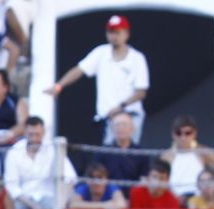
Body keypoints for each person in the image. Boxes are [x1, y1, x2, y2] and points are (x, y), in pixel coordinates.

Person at [46, 13, 148, 143]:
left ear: (126, 33)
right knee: (109, 155)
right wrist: (59, 85)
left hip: (131, 117)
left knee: (130, 156)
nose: (114, 36)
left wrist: (119, 108)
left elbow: (141, 92)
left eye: (118, 32)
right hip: (108, 118)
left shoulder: (137, 58)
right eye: (111, 32)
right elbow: (79, 70)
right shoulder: (101, 53)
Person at [4, 115, 74, 209]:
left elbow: (70, 177)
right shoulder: (14, 152)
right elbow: (11, 185)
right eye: (30, 135)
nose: (34, 139)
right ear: (25, 133)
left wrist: (61, 202)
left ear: (43, 132)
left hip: (49, 197)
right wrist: (33, 205)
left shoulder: (52, 149)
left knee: (57, 208)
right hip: (24, 198)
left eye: (37, 135)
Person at [159, 116, 214, 201]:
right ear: (173, 134)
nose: (183, 138)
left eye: (187, 133)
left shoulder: (203, 152)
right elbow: (160, 182)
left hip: (200, 200)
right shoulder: (166, 156)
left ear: (194, 133)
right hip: (175, 200)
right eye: (178, 133)